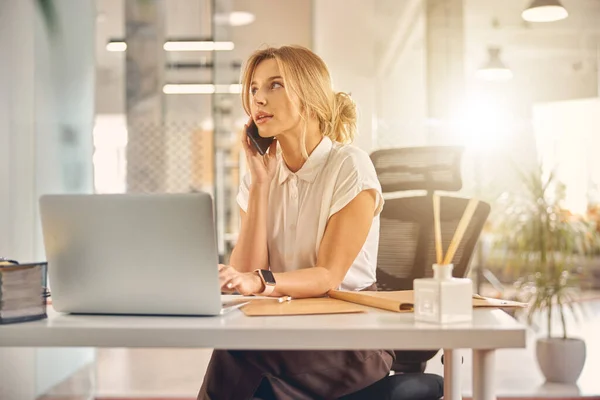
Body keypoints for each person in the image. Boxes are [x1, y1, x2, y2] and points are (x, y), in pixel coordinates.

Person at [198, 45, 393, 400]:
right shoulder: (258, 177)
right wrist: (260, 185)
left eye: (274, 85)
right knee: (235, 352)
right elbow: (245, 273)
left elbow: (327, 276)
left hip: (352, 338)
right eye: (254, 89)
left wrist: (258, 282)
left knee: (241, 362)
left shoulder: (349, 165)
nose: (258, 99)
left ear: (310, 94)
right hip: (288, 325)